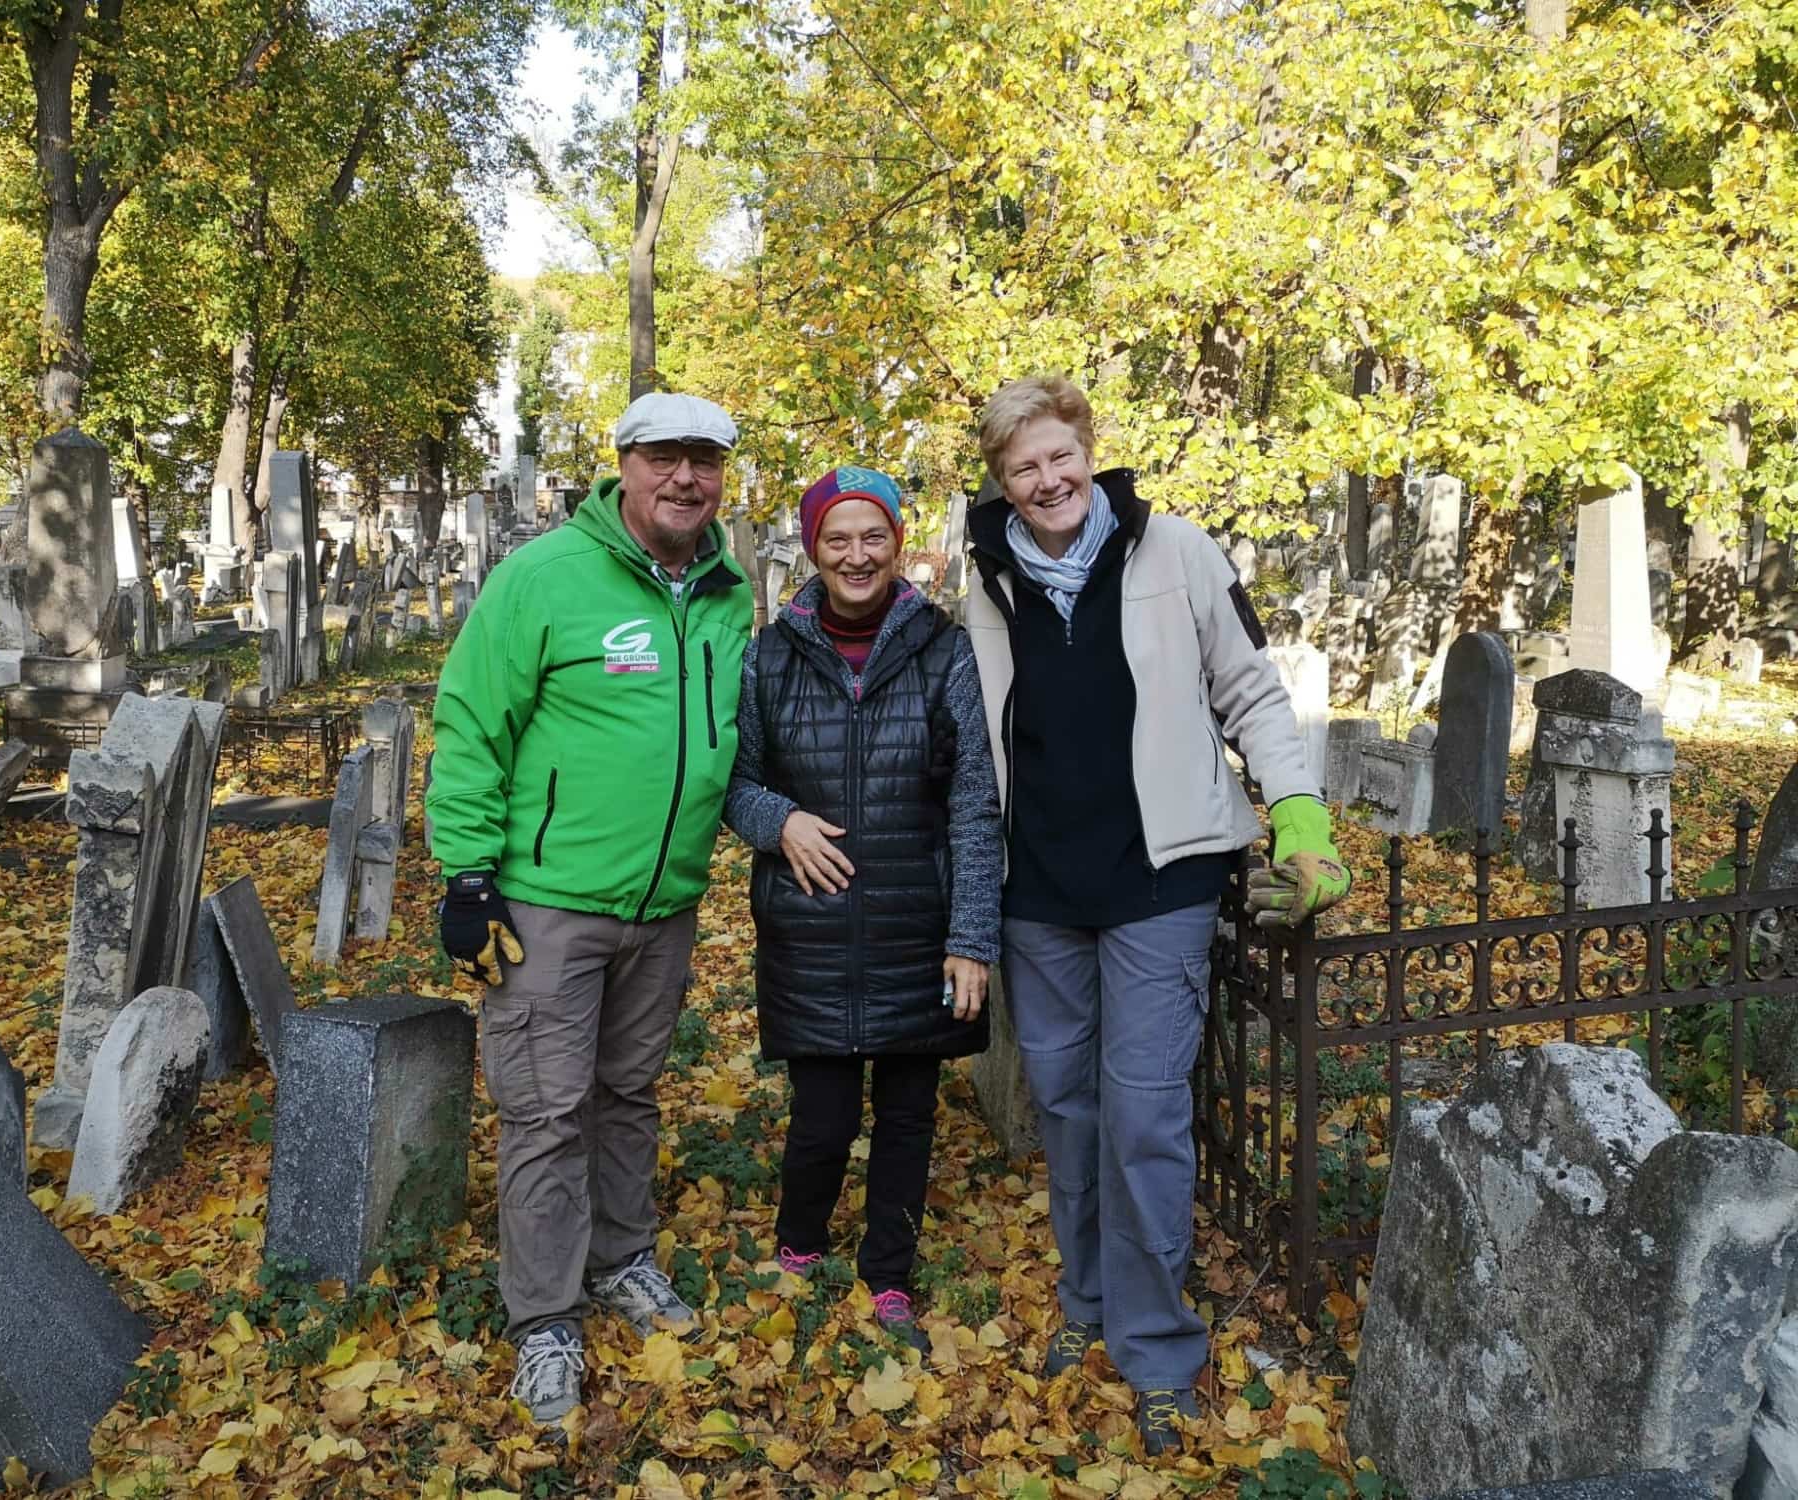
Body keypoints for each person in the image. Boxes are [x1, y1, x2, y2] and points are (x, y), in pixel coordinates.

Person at [961, 376, 1350, 1452]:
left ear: (1088, 451)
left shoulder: (1174, 550)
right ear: (1000, 483)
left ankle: (1158, 1346)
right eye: (1022, 467)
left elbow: (1250, 691)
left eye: (1059, 455)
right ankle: (1089, 1302)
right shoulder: (985, 577)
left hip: (1160, 878)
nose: (1047, 480)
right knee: (1067, 1108)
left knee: (1141, 1116)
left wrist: (1299, 814)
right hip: (1039, 890)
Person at [428, 391, 755, 1428]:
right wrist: (467, 877)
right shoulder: (544, 578)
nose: (685, 478)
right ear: (624, 464)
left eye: (705, 460)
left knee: (627, 1095)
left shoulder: (727, 595)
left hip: (664, 906)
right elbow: (472, 722)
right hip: (547, 904)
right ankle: (544, 1319)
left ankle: (620, 1258)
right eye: (665, 457)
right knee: (545, 1111)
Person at [724, 464, 1003, 1353]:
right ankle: (800, 1240)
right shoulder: (769, 656)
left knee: (909, 1115)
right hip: (810, 929)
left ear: (897, 545)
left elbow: (973, 800)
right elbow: (734, 783)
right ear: (814, 549)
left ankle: (889, 1272)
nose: (856, 555)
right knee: (824, 1117)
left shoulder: (944, 650)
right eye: (837, 539)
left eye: (873, 536)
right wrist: (779, 822)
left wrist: (971, 937)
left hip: (917, 926)